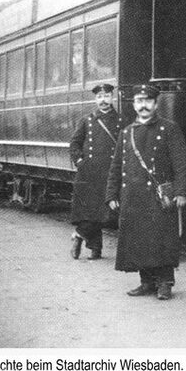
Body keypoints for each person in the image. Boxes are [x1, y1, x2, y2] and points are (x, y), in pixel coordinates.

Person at [106, 84, 186, 300]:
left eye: (148, 101)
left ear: (155, 104)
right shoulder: (127, 132)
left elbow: (182, 163)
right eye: (139, 101)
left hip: (158, 196)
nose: (143, 105)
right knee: (139, 238)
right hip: (133, 196)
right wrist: (112, 194)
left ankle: (165, 283)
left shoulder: (169, 128)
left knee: (162, 239)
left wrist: (181, 192)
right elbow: (116, 166)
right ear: (133, 104)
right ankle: (146, 282)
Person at [68, 83, 126, 260]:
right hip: (89, 173)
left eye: (106, 96)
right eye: (99, 97)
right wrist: (80, 162)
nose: (103, 100)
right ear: (95, 99)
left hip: (111, 173)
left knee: (106, 211)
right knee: (91, 210)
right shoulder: (87, 120)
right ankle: (95, 249)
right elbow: (74, 143)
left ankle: (79, 235)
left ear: (112, 98)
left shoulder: (122, 121)